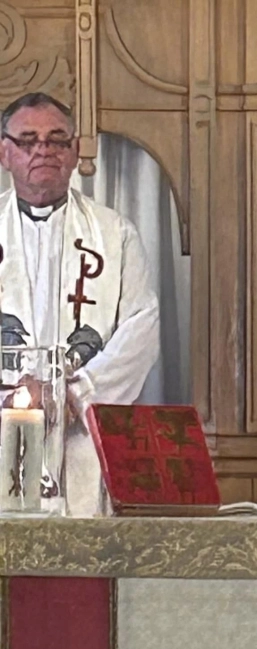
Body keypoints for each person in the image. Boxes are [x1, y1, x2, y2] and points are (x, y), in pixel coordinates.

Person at [0, 92, 160, 515]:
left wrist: (72, 395)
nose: (43, 151)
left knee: (80, 572)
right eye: (28, 140)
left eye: (56, 140)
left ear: (74, 152)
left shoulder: (114, 234)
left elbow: (141, 330)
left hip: (82, 436)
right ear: (4, 152)